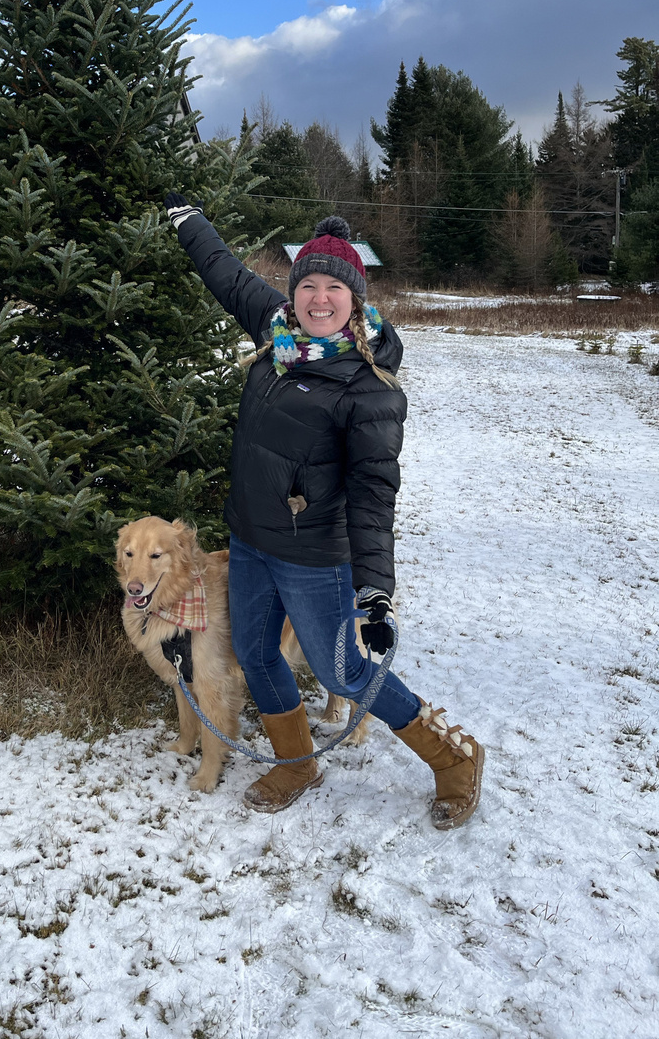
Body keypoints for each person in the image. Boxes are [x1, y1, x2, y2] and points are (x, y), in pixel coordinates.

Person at [163, 196, 484, 829]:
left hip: (315, 556)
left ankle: (453, 758)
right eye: (307, 283)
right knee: (256, 656)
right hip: (251, 540)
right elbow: (226, 273)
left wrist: (376, 594)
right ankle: (296, 762)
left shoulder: (370, 389)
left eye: (333, 287)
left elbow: (373, 498)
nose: (317, 298)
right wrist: (188, 222)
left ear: (355, 299)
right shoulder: (275, 330)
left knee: (343, 669)